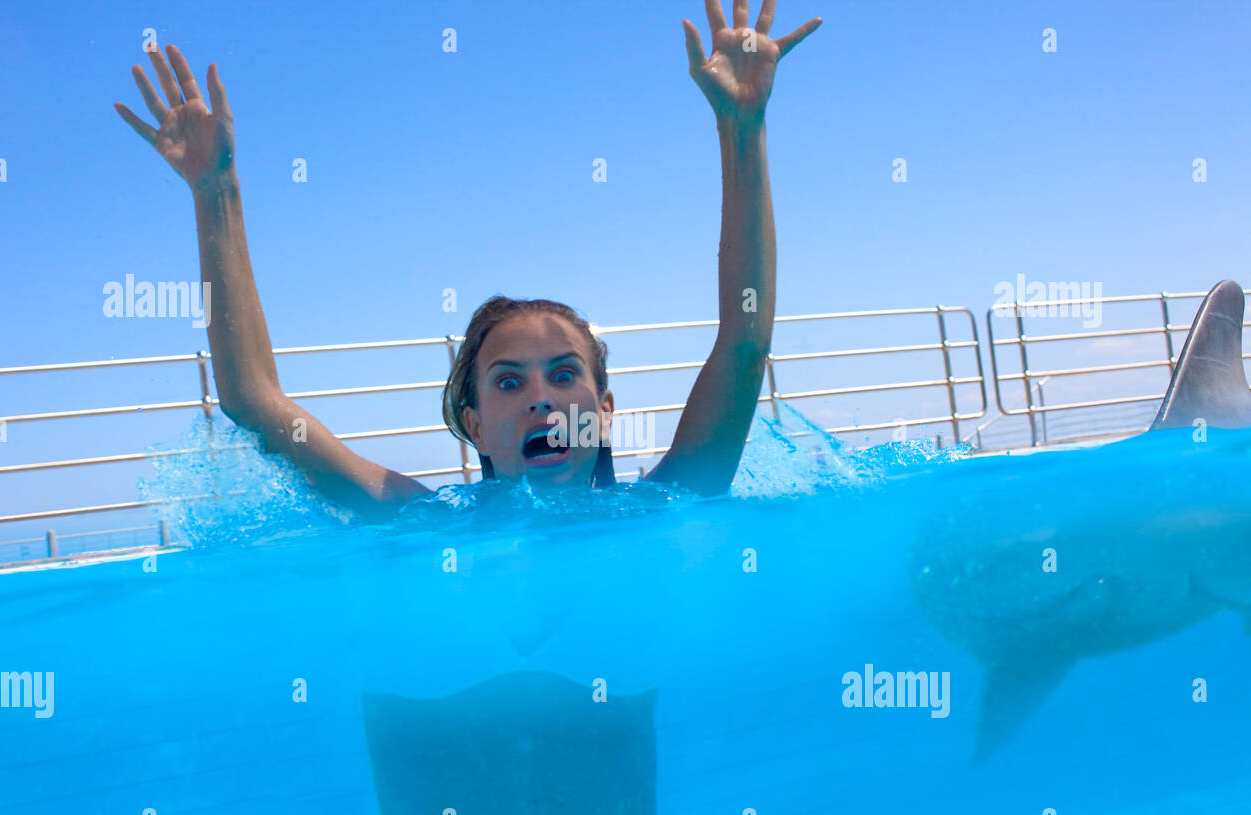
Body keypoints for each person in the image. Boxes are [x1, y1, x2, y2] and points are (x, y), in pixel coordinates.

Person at [115, 1, 822, 519]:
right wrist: (216, 193)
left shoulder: (674, 499)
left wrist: (744, 128)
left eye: (565, 374)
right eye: (509, 383)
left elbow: (744, 342)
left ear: (604, 412)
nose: (542, 398)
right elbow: (253, 401)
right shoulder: (427, 523)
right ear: (476, 425)